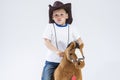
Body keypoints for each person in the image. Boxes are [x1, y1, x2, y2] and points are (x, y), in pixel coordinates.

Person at [41, 1, 84, 80]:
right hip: (52, 61)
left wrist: (79, 56)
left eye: (61, 14)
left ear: (67, 15)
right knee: (46, 78)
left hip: (68, 62)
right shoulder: (50, 27)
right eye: (56, 15)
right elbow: (46, 41)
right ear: (52, 17)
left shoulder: (72, 28)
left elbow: (80, 42)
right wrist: (57, 51)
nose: (59, 17)